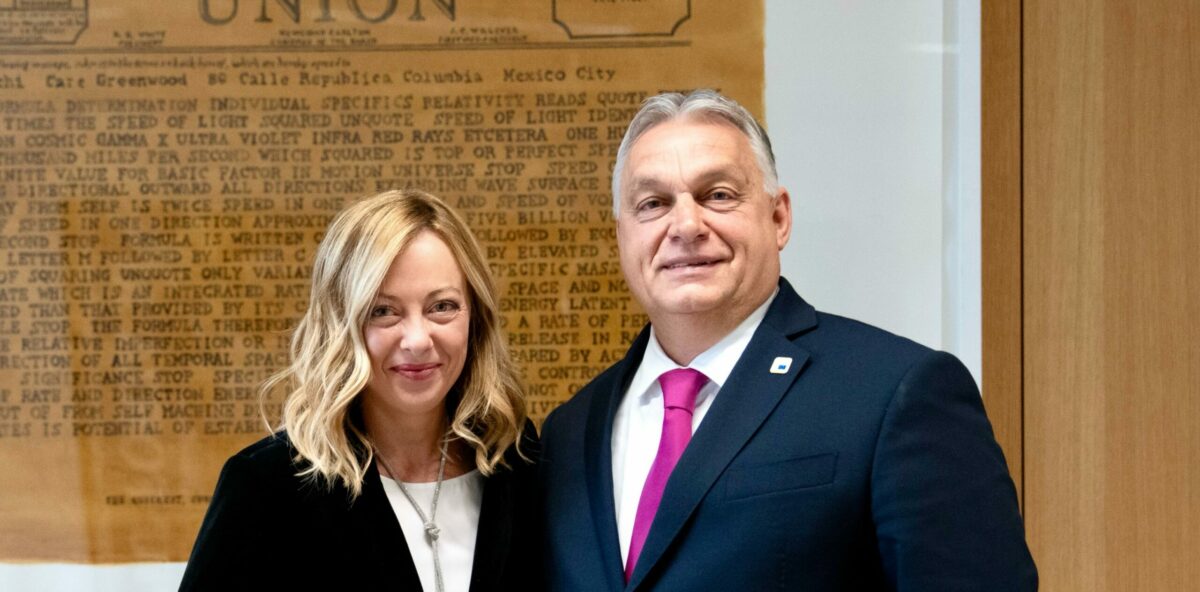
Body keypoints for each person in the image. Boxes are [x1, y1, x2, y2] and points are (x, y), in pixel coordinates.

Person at [539, 90, 1037, 590]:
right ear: (622, 236)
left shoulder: (894, 393)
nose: (686, 226)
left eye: (718, 195)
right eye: (653, 204)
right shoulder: (568, 434)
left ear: (778, 218)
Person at [180, 189, 539, 591]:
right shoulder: (265, 486)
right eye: (382, 311)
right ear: (339, 325)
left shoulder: (514, 457)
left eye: (442, 306)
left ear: (476, 316)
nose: (418, 340)